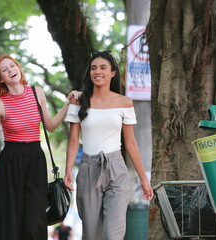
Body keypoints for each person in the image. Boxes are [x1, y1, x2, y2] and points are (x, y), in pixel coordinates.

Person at [0, 54, 80, 240]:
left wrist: (68, 104)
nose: (11, 70)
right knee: (10, 220)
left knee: (35, 221)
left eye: (12, 66)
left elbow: (50, 126)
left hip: (35, 158)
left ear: (18, 68)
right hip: (10, 160)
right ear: (0, 78)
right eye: (5, 70)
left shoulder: (36, 92)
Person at [63, 50, 154, 240]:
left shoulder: (124, 102)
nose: (98, 72)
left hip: (116, 169)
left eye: (103, 68)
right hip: (88, 169)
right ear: (89, 72)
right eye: (94, 68)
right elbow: (73, 141)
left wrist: (144, 180)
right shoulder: (79, 102)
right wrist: (68, 170)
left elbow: (131, 144)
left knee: (113, 234)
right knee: (91, 234)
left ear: (112, 73)